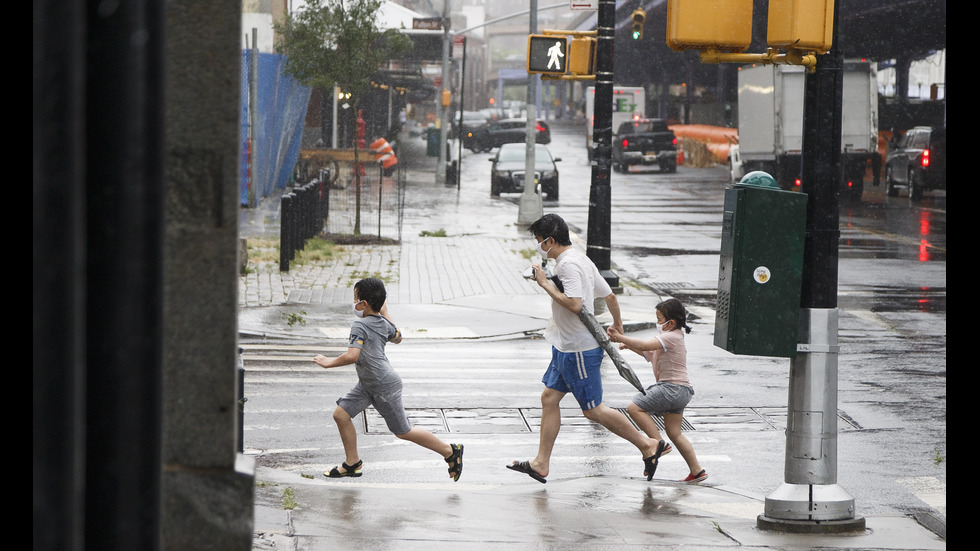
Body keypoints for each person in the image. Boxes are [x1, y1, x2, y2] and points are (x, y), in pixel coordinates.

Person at [507, 214, 666, 484]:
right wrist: (618, 324)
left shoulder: (568, 265)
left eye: (538, 241)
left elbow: (575, 304)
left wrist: (545, 284)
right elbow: (610, 295)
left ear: (550, 240)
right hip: (564, 345)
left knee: (593, 410)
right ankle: (541, 463)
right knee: (549, 398)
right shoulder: (580, 257)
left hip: (578, 349)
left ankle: (648, 444)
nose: (538, 246)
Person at [313, 278, 463, 481]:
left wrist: (327, 362)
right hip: (368, 384)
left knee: (403, 431)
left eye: (355, 298)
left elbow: (352, 356)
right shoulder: (384, 323)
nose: (354, 303)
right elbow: (399, 336)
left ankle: (450, 451)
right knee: (341, 415)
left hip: (384, 386)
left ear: (364, 304)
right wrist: (385, 312)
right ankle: (352, 463)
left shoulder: (359, 325)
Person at [608, 298, 708, 483]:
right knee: (675, 432)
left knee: (635, 407)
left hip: (671, 388)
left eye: (660, 319)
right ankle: (697, 470)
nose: (657, 323)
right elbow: (649, 353)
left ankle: (657, 443)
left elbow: (646, 345)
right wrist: (629, 346)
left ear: (671, 322)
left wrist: (620, 337)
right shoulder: (672, 338)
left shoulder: (672, 336)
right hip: (682, 391)